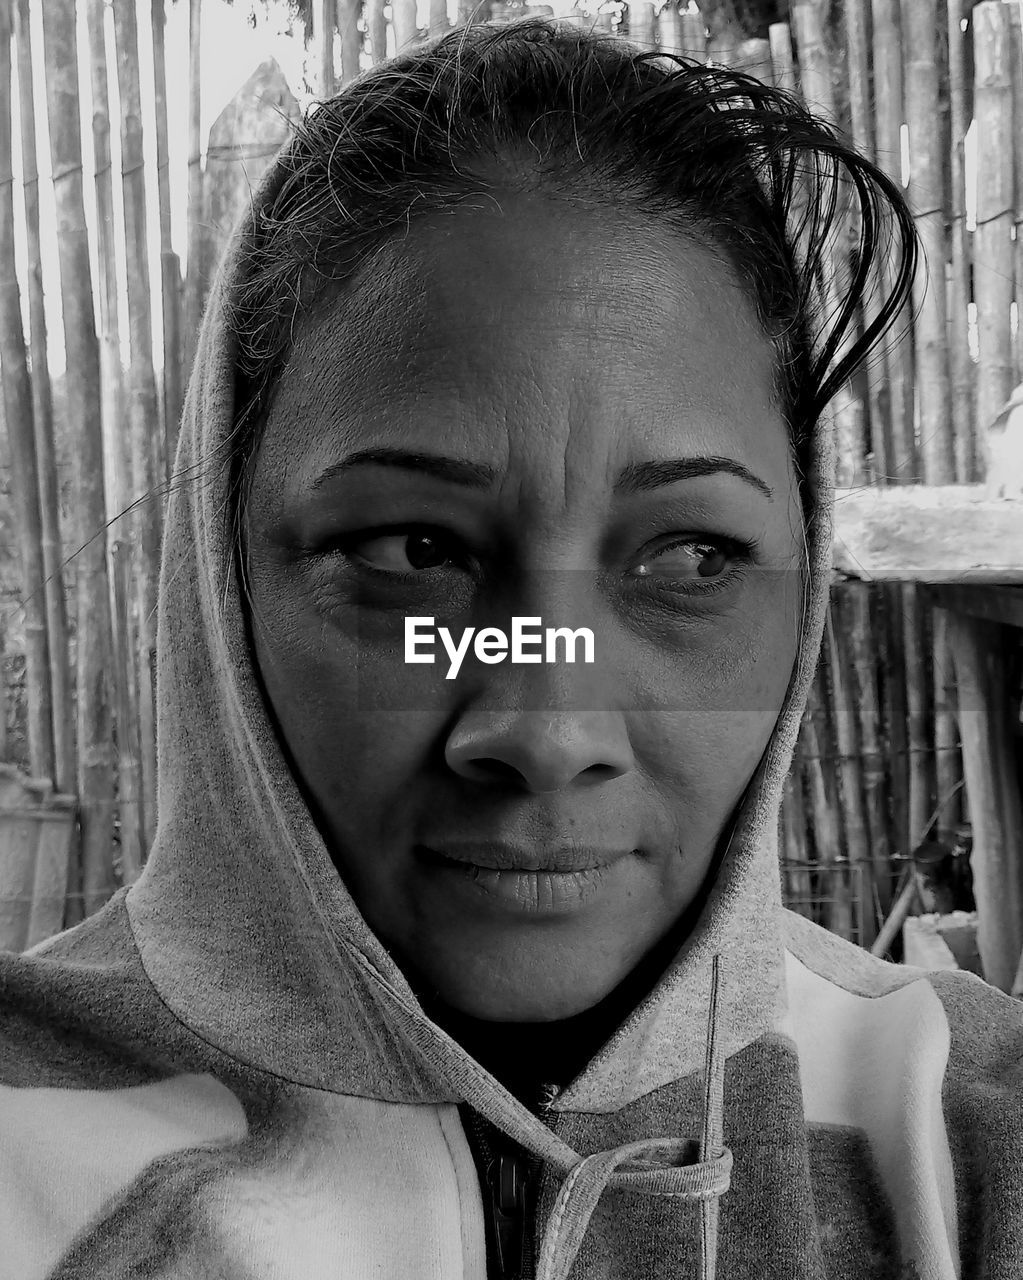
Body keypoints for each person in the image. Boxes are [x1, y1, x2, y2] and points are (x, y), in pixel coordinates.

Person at [1, 16, 1020, 1280]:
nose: (547, 728)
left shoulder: (970, 1139)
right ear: (222, 569)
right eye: (417, 551)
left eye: (690, 557)